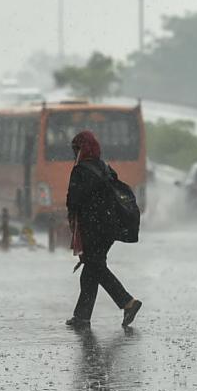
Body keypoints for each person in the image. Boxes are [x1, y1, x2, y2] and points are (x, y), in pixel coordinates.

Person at [65, 130, 142, 328]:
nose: (74, 154)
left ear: (81, 150)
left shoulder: (80, 171)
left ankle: (127, 302)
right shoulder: (104, 168)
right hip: (109, 228)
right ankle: (82, 317)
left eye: (76, 150)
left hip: (92, 228)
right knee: (91, 269)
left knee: (96, 267)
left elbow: (73, 200)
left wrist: (72, 220)